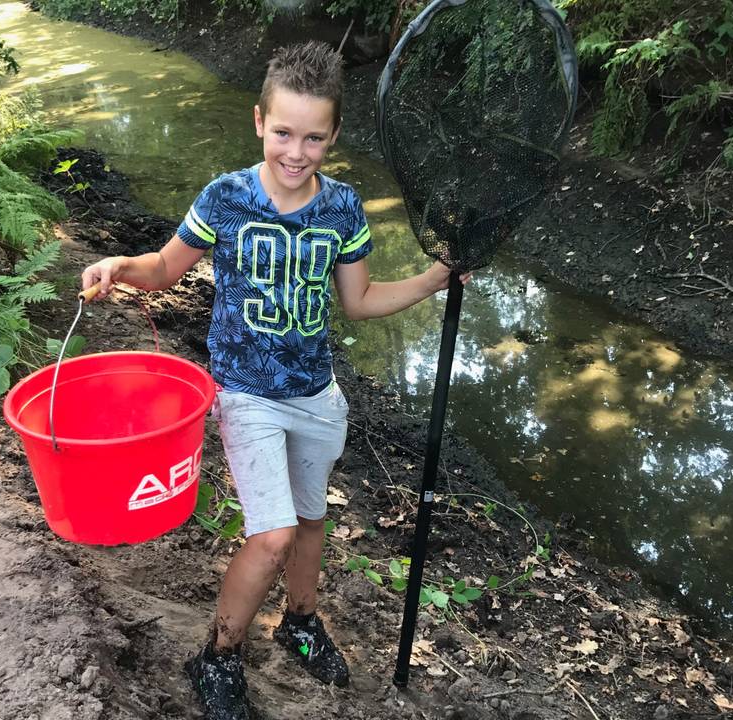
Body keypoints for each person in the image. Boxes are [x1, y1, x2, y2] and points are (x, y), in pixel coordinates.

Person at [81, 41, 461, 720]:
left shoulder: (343, 208)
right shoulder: (226, 197)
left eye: (314, 137)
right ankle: (218, 654)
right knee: (273, 535)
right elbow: (165, 268)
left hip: (316, 395)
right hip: (245, 393)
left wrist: (436, 279)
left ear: (334, 136)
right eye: (284, 132)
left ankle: (301, 621)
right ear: (259, 121)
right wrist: (118, 266)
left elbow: (360, 301)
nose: (296, 151)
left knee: (311, 521)